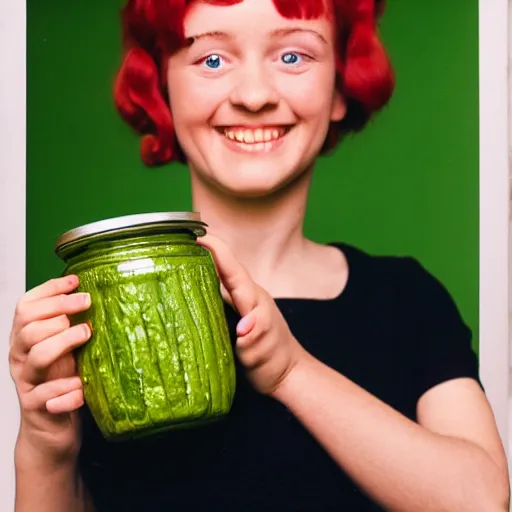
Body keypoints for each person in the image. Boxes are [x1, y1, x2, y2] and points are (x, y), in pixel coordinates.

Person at [10, 0, 510, 510]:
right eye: (211, 60)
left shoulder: (407, 302)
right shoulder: (95, 312)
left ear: (340, 84)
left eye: (293, 57)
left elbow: (482, 501)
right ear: (163, 87)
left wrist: (292, 371)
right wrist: (46, 446)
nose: (253, 96)